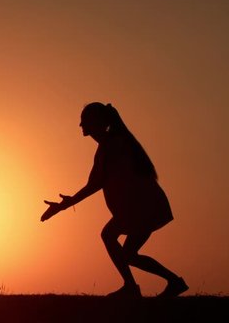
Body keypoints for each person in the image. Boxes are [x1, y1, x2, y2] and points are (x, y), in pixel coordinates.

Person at [41, 102, 188, 298]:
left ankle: (132, 287)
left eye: (85, 122)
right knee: (128, 254)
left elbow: (96, 184)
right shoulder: (107, 147)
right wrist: (63, 205)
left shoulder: (114, 145)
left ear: (97, 123)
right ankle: (172, 282)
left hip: (140, 207)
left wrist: (63, 206)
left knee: (110, 236)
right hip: (139, 207)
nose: (81, 127)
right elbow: (94, 183)